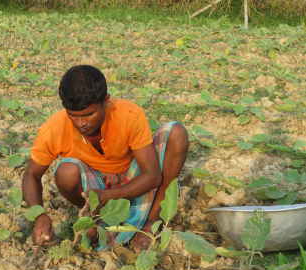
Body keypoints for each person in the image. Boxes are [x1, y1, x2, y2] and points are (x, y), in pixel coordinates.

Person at [22, 65, 188, 251]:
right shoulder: (55, 127)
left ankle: (151, 223)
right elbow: (31, 175)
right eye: (73, 116)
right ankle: (96, 218)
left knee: (176, 133)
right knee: (66, 172)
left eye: (89, 115)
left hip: (134, 181)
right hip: (95, 188)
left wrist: (110, 194)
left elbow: (152, 176)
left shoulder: (128, 115)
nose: (81, 123)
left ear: (106, 101)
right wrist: (40, 217)